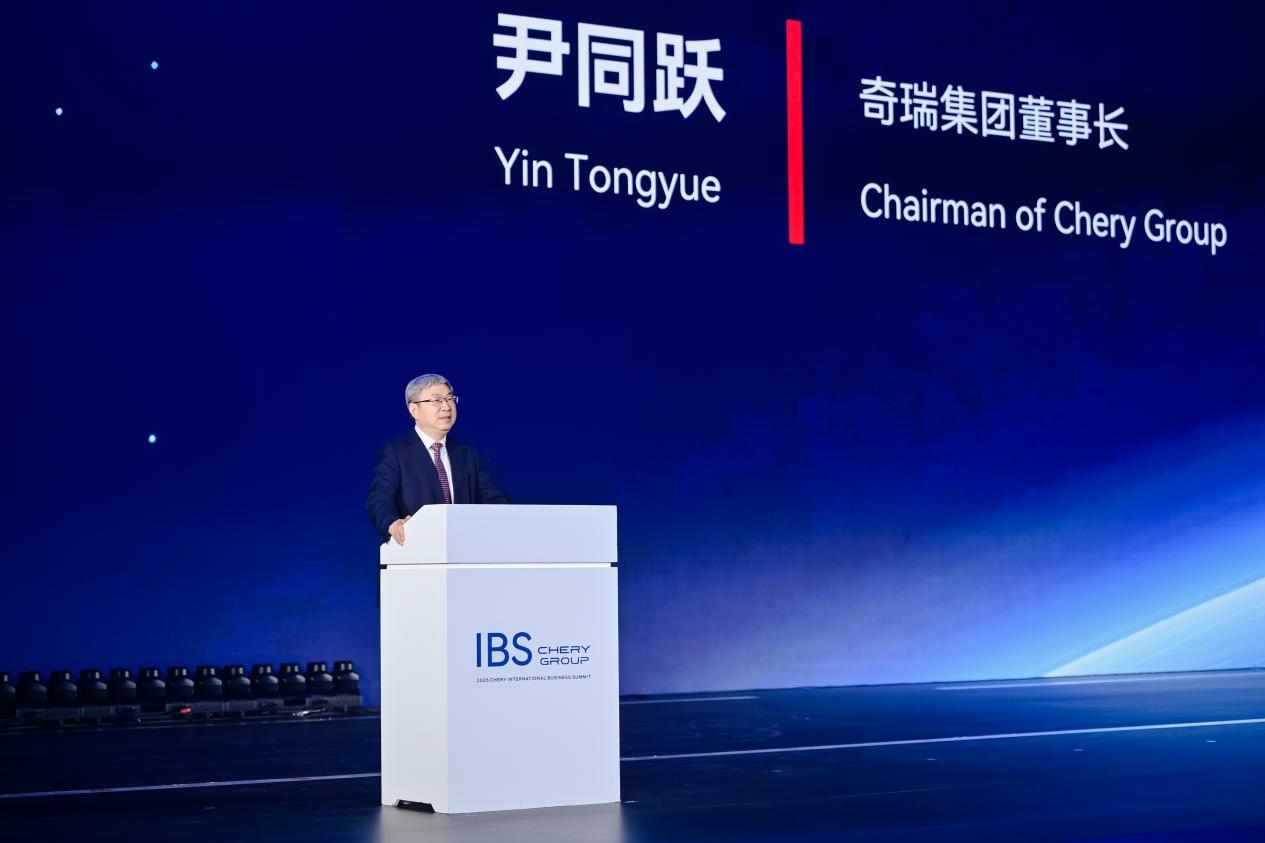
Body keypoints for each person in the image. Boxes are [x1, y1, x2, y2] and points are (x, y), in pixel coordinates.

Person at [366, 373, 509, 545]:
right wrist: (392, 523)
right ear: (414, 410)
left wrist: (509, 520)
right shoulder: (395, 451)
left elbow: (493, 500)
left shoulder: (467, 453)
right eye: (436, 400)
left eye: (450, 399)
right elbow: (379, 498)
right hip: (417, 549)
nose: (446, 407)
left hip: (464, 548)